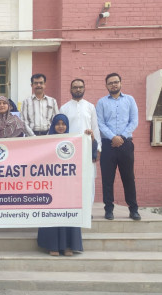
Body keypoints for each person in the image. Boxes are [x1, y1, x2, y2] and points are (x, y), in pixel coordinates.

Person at [37, 113, 83, 256]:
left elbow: (86, 152)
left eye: (64, 124)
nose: (61, 127)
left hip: (68, 185)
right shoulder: (47, 142)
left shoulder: (74, 141)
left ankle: (68, 245)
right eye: (58, 124)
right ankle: (53, 245)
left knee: (67, 212)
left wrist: (90, 138)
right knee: (52, 213)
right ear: (53, 125)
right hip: (51, 185)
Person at [96, 73, 140, 221]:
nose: (113, 85)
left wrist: (121, 137)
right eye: (110, 83)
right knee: (107, 179)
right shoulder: (101, 102)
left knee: (128, 178)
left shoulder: (130, 100)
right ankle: (109, 209)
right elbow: (100, 123)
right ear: (106, 86)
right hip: (108, 145)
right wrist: (112, 137)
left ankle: (133, 209)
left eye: (116, 82)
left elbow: (134, 121)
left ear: (121, 83)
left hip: (125, 143)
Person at [60, 79, 101, 207]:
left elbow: (95, 128)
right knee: (71, 180)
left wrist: (98, 149)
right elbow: (61, 130)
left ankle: (87, 209)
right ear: (70, 90)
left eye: (80, 87)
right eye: (75, 87)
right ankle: (72, 207)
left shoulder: (90, 107)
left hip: (87, 149)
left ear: (84, 89)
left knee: (88, 180)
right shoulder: (64, 108)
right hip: (70, 151)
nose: (78, 89)